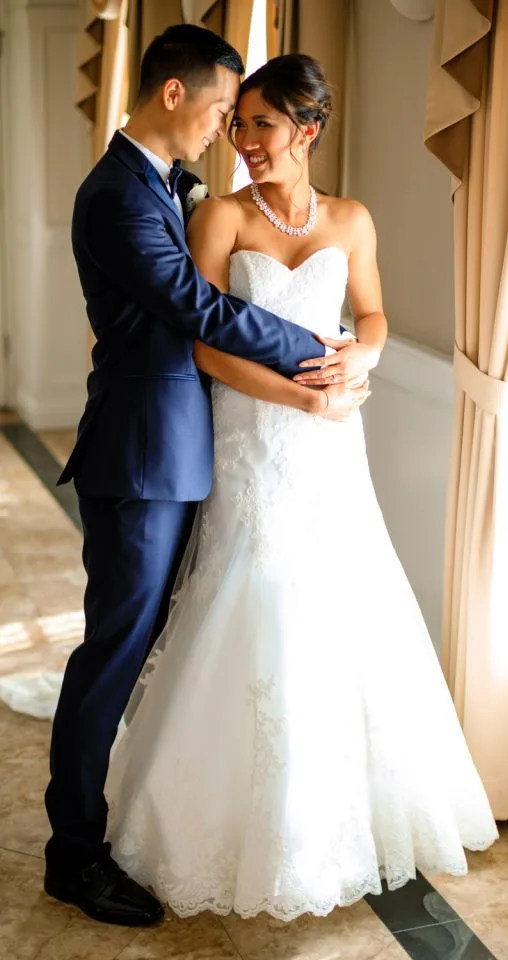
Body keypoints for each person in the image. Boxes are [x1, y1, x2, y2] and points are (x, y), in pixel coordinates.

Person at [104, 53, 499, 923]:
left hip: (331, 448)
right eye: (238, 123)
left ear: (307, 130)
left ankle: (341, 821)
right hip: (254, 437)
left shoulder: (353, 220)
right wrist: (304, 399)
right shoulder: (218, 216)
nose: (244, 141)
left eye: (262, 125)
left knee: (340, 604)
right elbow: (204, 346)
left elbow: (374, 314)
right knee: (254, 597)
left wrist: (363, 358)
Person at [43, 27, 367, 928]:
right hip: (143, 454)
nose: (229, 129)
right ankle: (73, 855)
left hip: (184, 450)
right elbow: (197, 308)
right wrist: (322, 349)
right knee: (114, 651)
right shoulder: (117, 194)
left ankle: (133, 813)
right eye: (225, 108)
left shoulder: (162, 182)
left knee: (155, 643)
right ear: (175, 94)